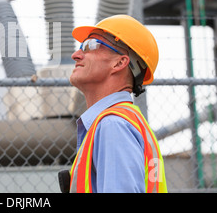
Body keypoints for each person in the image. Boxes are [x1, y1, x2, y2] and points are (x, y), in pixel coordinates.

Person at [66, 14, 167, 193]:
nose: (76, 55)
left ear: (119, 62)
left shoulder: (113, 125)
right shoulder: (127, 122)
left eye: (90, 45)